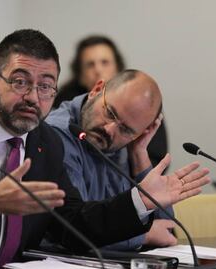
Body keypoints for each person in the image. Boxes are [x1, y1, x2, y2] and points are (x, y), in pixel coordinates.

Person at [0, 29, 210, 269]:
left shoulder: (45, 143)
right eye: (21, 82)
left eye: (45, 86)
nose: (33, 97)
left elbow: (73, 224)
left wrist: (141, 201)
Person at [47, 70, 176, 251]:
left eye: (126, 129)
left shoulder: (128, 145)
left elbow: (167, 230)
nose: (109, 129)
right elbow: (75, 228)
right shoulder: (56, 135)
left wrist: (139, 154)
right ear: (97, 90)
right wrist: (143, 235)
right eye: (110, 113)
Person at [54, 35, 167, 167]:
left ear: (117, 68)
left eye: (105, 62)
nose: (98, 70)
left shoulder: (141, 106)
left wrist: (138, 155)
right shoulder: (62, 107)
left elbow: (157, 158)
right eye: (109, 112)